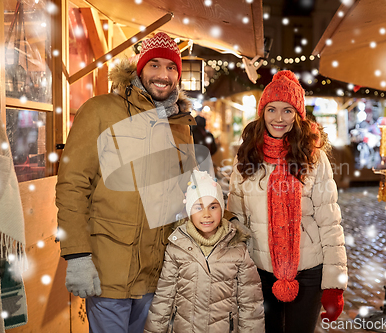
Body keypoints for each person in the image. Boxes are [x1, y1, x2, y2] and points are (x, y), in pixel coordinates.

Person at [55, 32, 197, 333]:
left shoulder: (181, 125)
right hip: (109, 268)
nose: (163, 75)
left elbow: (191, 193)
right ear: (140, 69)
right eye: (155, 65)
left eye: (171, 68)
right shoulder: (100, 110)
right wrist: (77, 254)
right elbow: (72, 185)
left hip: (157, 271)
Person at [227, 70, 348, 333]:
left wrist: (334, 284)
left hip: (308, 270)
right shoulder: (247, 158)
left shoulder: (314, 159)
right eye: (272, 109)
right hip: (259, 271)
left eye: (287, 110)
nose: (278, 118)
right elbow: (235, 219)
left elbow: (330, 223)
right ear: (262, 112)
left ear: (297, 115)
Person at [144, 170, 265, 333]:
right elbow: (164, 299)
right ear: (189, 211)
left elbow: (250, 304)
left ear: (221, 209)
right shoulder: (177, 247)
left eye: (213, 206)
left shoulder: (238, 250)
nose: (206, 214)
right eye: (198, 207)